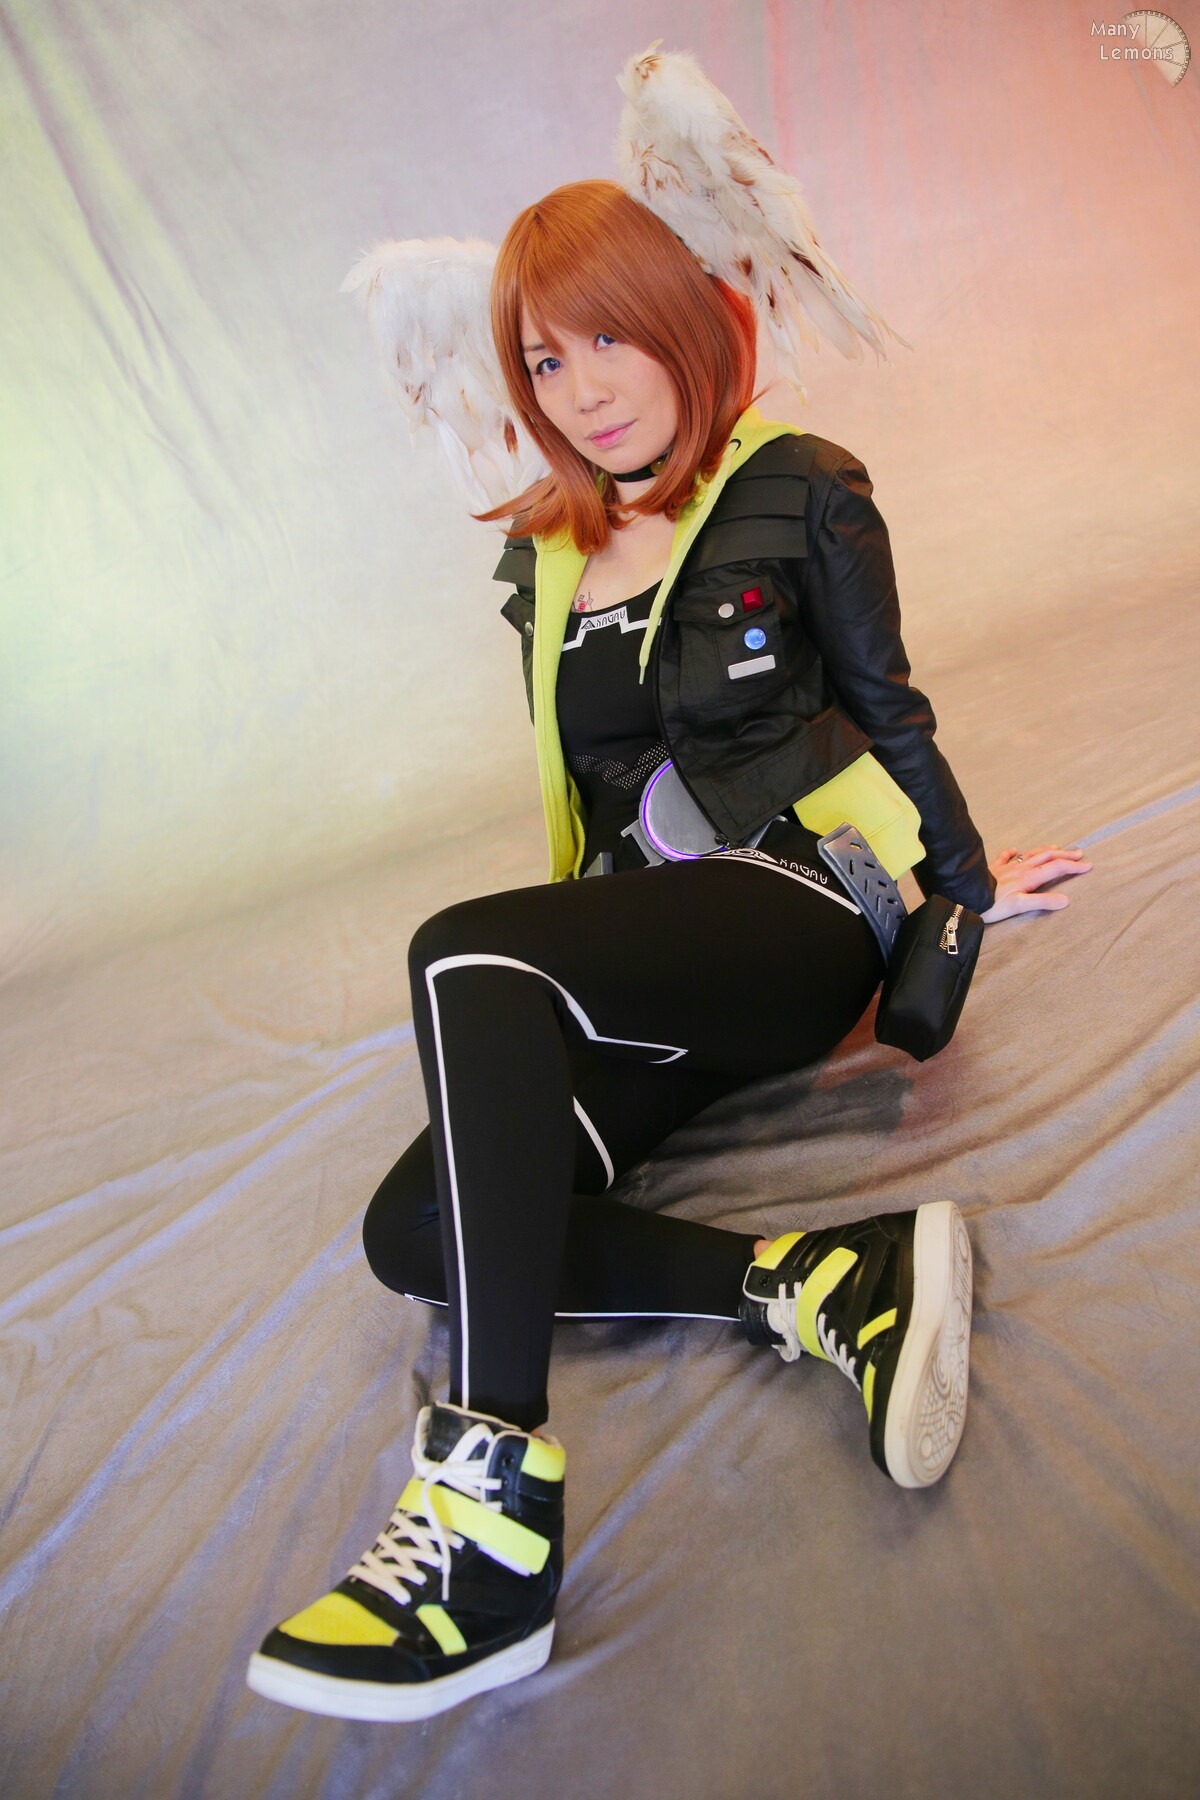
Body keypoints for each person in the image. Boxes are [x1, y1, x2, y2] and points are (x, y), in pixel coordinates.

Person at [246, 168, 1090, 1725]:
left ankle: (486, 1523)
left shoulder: (799, 485)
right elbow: (588, 798)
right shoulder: (547, 551)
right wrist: (563, 977)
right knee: (414, 1231)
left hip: (803, 897)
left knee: (461, 952)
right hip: (658, 942)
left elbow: (888, 704)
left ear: (678, 322)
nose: (582, 387)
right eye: (544, 361)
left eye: (606, 339)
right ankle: (823, 1278)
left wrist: (961, 880)